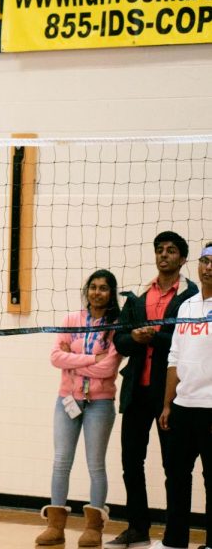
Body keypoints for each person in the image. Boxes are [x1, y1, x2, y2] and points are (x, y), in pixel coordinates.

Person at [108, 231, 199, 549]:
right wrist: (134, 338)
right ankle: (138, 527)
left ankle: (174, 535)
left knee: (173, 467)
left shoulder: (191, 297)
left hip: (169, 395)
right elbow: (119, 340)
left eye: (171, 250)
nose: (164, 255)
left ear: (183, 258)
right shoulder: (138, 298)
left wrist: (153, 336)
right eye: (159, 249)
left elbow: (185, 342)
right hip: (137, 392)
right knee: (131, 462)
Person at [35, 269, 122, 547]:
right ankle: (55, 526)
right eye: (93, 287)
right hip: (67, 400)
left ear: (111, 293)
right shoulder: (71, 319)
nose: (97, 292)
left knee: (96, 464)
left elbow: (109, 367)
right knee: (61, 461)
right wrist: (88, 358)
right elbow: (55, 357)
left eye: (104, 288)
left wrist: (74, 358)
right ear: (87, 291)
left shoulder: (115, 325)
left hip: (100, 402)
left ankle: (94, 528)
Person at [152, 242, 212, 549]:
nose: (208, 267)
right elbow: (174, 357)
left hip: (211, 408)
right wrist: (167, 403)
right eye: (205, 261)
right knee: (176, 477)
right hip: (182, 406)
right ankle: (175, 541)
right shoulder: (187, 307)